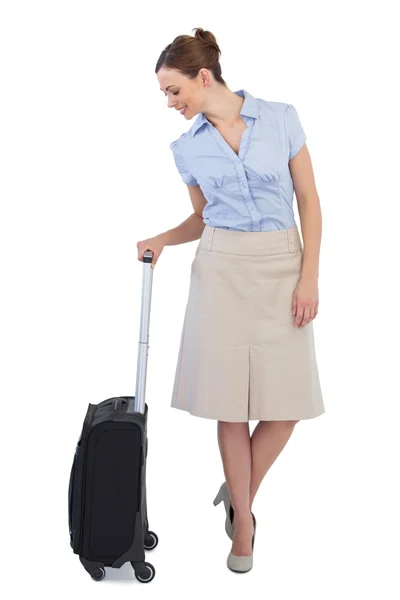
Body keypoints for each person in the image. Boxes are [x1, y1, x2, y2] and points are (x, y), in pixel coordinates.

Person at [137, 27, 325, 573]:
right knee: (229, 405)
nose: (171, 105)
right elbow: (201, 218)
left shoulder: (281, 118)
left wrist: (309, 276)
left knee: (285, 407)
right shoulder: (187, 148)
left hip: (282, 263)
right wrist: (160, 240)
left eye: (174, 91)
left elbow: (310, 202)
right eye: (165, 96)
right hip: (220, 269)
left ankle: (237, 487)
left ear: (203, 76)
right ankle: (244, 522)